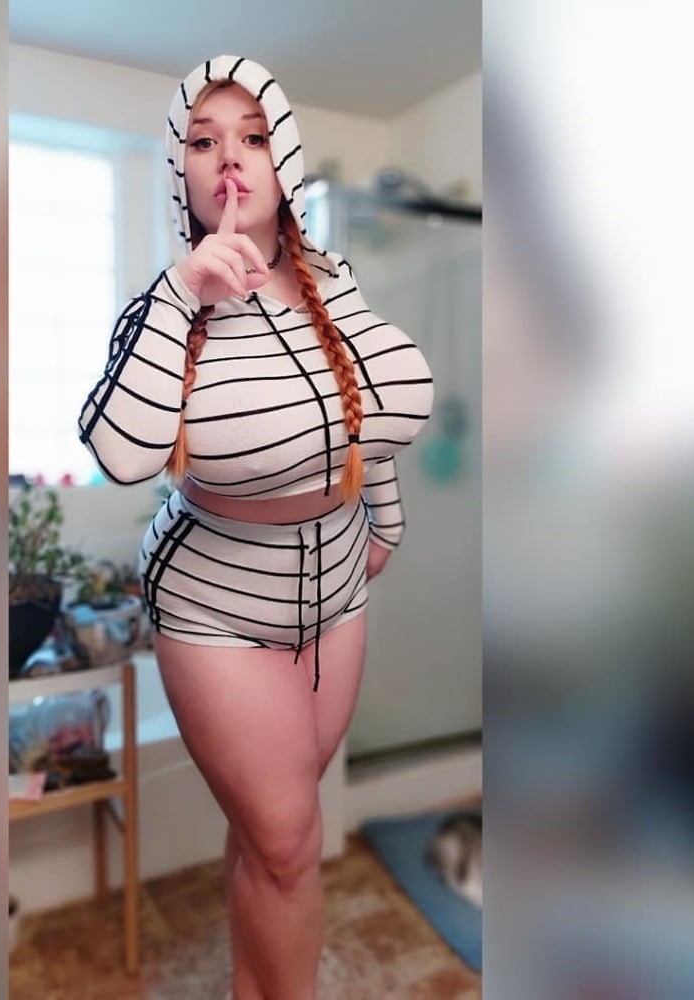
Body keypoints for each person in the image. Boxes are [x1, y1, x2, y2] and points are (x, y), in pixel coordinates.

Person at [79, 54, 433, 1000]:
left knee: (273, 833)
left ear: (286, 162)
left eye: (254, 136)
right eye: (203, 141)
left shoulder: (333, 280)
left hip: (337, 589)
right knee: (289, 842)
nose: (230, 157)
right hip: (216, 606)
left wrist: (385, 520)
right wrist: (181, 292)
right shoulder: (168, 305)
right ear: (181, 172)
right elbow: (120, 452)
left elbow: (366, 412)